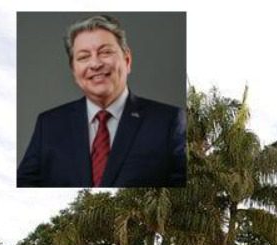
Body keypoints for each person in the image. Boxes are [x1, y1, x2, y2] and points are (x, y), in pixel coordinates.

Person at [17, 14, 186, 188]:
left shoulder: (169, 121)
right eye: (83, 57)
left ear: (127, 61)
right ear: (74, 70)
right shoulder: (49, 124)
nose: (95, 64)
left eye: (105, 52)